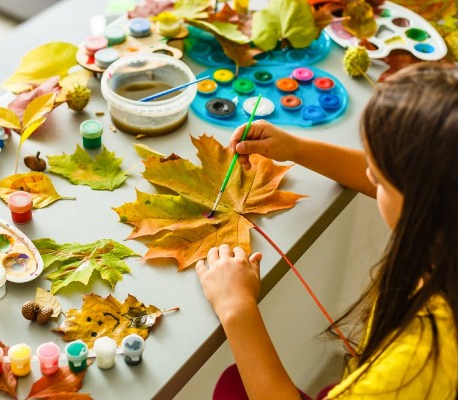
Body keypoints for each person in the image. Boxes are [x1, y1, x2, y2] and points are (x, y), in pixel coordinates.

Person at [195, 62, 458, 399]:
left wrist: (236, 307)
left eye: (378, 176)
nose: (371, 177)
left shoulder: (418, 360)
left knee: (232, 386)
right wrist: (297, 149)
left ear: (425, 201)